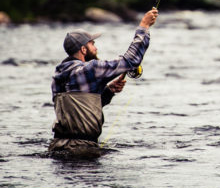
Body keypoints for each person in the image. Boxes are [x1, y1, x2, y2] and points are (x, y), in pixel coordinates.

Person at [48, 8, 158, 158]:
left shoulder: (58, 75)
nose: (96, 47)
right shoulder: (90, 69)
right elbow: (131, 60)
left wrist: (108, 91)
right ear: (83, 49)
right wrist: (144, 26)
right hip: (82, 150)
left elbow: (79, 107)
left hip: (57, 147)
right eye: (92, 44)